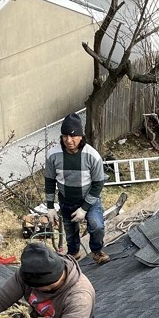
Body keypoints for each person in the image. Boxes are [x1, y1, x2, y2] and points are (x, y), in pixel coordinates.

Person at [44, 113, 110, 264]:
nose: (68, 140)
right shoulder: (53, 155)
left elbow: (98, 184)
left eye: (73, 136)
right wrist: (50, 207)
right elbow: (49, 181)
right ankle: (74, 253)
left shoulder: (92, 156)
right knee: (70, 231)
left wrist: (84, 208)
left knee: (97, 226)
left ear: (81, 136)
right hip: (66, 201)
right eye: (65, 136)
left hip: (89, 200)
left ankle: (97, 251)